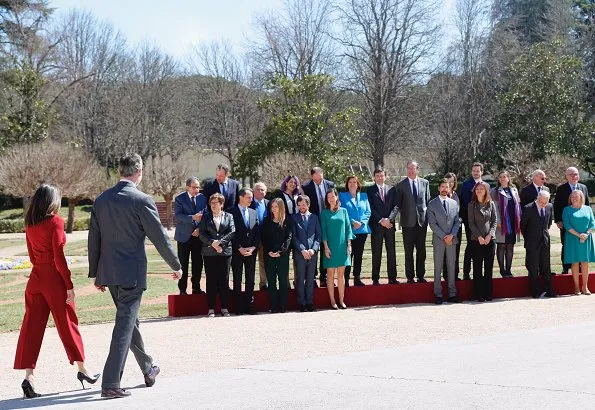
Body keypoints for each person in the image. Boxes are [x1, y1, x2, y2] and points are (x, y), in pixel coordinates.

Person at [88, 154, 182, 399]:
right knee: (124, 325)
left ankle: (148, 367)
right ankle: (110, 383)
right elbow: (159, 237)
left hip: (110, 273)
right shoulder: (141, 200)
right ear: (139, 171)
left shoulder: (101, 200)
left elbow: (94, 239)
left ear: (120, 171)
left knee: (129, 322)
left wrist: (97, 274)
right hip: (131, 274)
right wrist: (176, 264)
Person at [15, 184, 100, 399]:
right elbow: (59, 258)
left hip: (35, 279)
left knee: (31, 327)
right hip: (54, 279)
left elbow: (33, 258)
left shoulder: (30, 223)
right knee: (67, 323)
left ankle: (28, 377)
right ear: (53, 201)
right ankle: (82, 370)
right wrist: (69, 285)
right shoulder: (55, 222)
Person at [391, 160, 431, 283]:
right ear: (406, 170)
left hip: (421, 223)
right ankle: (410, 277)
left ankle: (420, 275)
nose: (411, 171)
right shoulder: (401, 185)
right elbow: (397, 205)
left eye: (413, 168)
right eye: (409, 168)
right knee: (408, 251)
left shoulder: (425, 183)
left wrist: (430, 220)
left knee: (421, 251)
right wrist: (391, 218)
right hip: (407, 223)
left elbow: (428, 202)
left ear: (417, 169)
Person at [198, 193, 236, 317]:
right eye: (212, 203)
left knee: (224, 280)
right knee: (211, 280)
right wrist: (213, 243)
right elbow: (202, 234)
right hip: (209, 253)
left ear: (221, 204)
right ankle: (211, 308)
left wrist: (220, 243)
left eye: (216, 203)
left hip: (225, 253)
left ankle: (225, 308)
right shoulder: (206, 217)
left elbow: (232, 231)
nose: (213, 205)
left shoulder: (229, 216)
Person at [427, 179, 461, 304]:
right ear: (438, 188)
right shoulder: (432, 204)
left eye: (447, 187)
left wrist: (451, 235)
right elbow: (432, 223)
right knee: (438, 267)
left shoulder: (454, 203)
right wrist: (444, 236)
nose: (444, 189)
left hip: (452, 240)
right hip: (439, 240)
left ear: (450, 188)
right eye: (442, 187)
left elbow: (457, 221)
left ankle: (452, 294)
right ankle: (438, 294)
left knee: (452, 267)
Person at [320, 189, 354, 309]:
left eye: (332, 196)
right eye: (328, 197)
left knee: (341, 274)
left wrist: (349, 245)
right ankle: (333, 301)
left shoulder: (344, 211)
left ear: (336, 197)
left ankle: (341, 300)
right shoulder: (323, 213)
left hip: (342, 247)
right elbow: (323, 232)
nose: (330, 199)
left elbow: (348, 229)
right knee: (330, 275)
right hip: (330, 247)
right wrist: (326, 248)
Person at [302, 167, 335, 287]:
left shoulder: (330, 185)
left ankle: (324, 277)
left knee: (326, 249)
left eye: (320, 179)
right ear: (312, 177)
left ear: (322, 174)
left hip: (328, 221)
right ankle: (312, 277)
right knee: (313, 249)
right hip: (313, 222)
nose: (318, 181)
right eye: (316, 180)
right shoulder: (306, 187)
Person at [174, 177, 207, 295]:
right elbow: (178, 216)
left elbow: (206, 215)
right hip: (183, 236)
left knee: (198, 263)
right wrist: (192, 217)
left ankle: (196, 288)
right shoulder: (179, 198)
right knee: (183, 263)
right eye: (194, 187)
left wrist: (199, 228)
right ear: (187, 187)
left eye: (198, 187)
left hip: (198, 236)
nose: (196, 189)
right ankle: (182, 289)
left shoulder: (203, 198)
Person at [554, 167, 590, 275]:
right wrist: (558, 220)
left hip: (581, 224)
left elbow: (587, 204)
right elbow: (557, 205)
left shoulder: (583, 187)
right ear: (567, 176)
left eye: (576, 174)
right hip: (566, 223)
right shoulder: (561, 189)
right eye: (571, 174)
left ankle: (579, 268)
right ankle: (566, 267)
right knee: (566, 245)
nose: (574, 176)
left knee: (580, 245)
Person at [230, 188, 260, 315]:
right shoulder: (231, 212)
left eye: (251, 197)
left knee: (251, 279)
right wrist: (239, 248)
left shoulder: (253, 212)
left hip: (251, 251)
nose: (251, 199)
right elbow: (231, 233)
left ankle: (250, 305)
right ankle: (239, 307)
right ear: (240, 197)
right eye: (248, 197)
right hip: (237, 251)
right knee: (237, 279)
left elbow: (257, 231)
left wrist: (254, 247)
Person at [521, 190, 556, 298]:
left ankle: (549, 290)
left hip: (545, 241)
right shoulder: (528, 208)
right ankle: (534, 291)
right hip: (532, 242)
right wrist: (530, 239)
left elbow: (548, 223)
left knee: (546, 266)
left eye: (545, 203)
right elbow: (523, 226)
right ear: (537, 198)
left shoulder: (550, 206)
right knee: (533, 267)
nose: (543, 205)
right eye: (541, 203)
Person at [366, 168, 398, 285]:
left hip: (389, 225)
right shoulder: (369, 190)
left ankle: (392, 278)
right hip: (376, 226)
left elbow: (396, 206)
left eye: (382, 175)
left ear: (385, 177)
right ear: (374, 177)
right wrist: (380, 220)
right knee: (376, 253)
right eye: (377, 175)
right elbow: (370, 207)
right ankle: (375, 278)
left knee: (391, 252)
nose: (380, 177)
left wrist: (389, 219)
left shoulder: (392, 189)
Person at [261, 198, 293, 312]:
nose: (274, 209)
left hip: (282, 255)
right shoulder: (266, 221)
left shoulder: (287, 221)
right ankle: (274, 306)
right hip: (269, 255)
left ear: (281, 207)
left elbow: (289, 238)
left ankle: (283, 306)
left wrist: (281, 252)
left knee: (283, 281)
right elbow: (264, 238)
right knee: (271, 280)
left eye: (276, 206)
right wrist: (269, 251)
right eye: (272, 207)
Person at [339, 175, 371, 287]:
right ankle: (346, 279)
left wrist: (361, 223)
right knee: (348, 255)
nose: (352, 184)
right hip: (348, 230)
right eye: (350, 182)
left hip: (362, 230)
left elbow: (368, 211)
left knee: (359, 255)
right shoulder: (342, 196)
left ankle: (357, 277)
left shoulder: (364, 196)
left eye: (354, 182)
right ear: (347, 185)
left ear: (358, 184)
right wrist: (353, 222)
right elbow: (342, 211)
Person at [467, 182, 497, 302]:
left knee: (488, 268)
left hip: (490, 240)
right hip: (476, 240)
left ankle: (488, 293)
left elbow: (494, 221)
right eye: (477, 189)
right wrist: (479, 236)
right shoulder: (471, 205)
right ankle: (479, 294)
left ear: (486, 191)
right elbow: (471, 223)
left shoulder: (491, 204)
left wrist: (490, 235)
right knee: (477, 267)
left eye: (482, 189)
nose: (479, 190)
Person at [291, 195, 321, 312]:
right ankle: (301, 303)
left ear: (308, 205)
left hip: (312, 253)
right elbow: (293, 237)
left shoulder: (314, 218)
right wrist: (302, 249)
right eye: (299, 204)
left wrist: (313, 249)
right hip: (300, 253)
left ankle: (309, 302)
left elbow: (318, 236)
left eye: (304, 204)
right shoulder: (294, 218)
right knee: (300, 278)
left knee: (310, 279)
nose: (301, 207)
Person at [562, 190, 595, 295]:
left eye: (576, 197)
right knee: (575, 262)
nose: (574, 198)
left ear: (582, 197)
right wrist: (579, 235)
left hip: (586, 238)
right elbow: (567, 225)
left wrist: (586, 234)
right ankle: (576, 287)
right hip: (572, 238)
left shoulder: (588, 209)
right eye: (572, 197)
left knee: (585, 262)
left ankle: (585, 287)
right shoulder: (566, 210)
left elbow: (592, 223)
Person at [491, 171, 521, 278]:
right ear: (498, 179)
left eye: (505, 177)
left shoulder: (514, 190)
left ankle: (508, 270)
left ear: (509, 178)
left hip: (513, 223)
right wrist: (498, 222)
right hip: (501, 223)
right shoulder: (494, 191)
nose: (503, 178)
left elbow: (518, 206)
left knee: (510, 246)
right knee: (501, 246)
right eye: (501, 177)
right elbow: (493, 207)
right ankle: (502, 270)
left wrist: (519, 220)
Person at [460, 162, 484, 280]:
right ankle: (466, 272)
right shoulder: (466, 185)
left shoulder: (486, 185)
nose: (475, 173)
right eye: (474, 171)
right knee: (470, 246)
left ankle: (479, 273)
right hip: (470, 221)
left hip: (484, 223)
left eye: (478, 171)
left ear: (481, 172)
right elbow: (465, 203)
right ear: (471, 172)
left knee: (482, 247)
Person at [443, 172, 462, 281]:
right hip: (446, 229)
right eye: (448, 181)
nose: (450, 183)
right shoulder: (442, 194)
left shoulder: (455, 194)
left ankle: (455, 274)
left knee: (456, 251)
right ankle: (447, 275)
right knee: (446, 253)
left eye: (452, 181)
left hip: (456, 228)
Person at [250, 182, 269, 291]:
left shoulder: (268, 203)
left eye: (263, 190)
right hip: (251, 238)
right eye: (258, 189)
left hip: (264, 238)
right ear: (253, 191)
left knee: (263, 262)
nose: (261, 192)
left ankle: (263, 284)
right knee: (251, 263)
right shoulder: (249, 203)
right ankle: (250, 285)